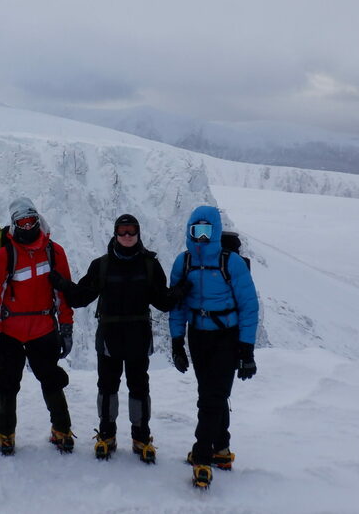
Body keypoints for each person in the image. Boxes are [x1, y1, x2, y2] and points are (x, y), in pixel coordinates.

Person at [54, 214, 180, 462]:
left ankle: (141, 437)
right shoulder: (101, 265)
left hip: (138, 338)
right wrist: (63, 285)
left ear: (138, 233)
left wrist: (181, 289)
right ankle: (107, 435)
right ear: (115, 233)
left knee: (139, 388)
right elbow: (80, 298)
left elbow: (163, 302)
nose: (127, 236)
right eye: (122, 232)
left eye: (131, 231)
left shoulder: (149, 265)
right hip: (110, 339)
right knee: (107, 387)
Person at [169, 205, 259, 489]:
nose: (203, 238)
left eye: (208, 232)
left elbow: (249, 306)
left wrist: (246, 350)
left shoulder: (230, 262)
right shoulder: (182, 263)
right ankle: (221, 449)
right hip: (198, 336)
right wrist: (176, 343)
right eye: (198, 232)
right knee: (210, 393)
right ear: (189, 232)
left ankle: (202, 456)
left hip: (226, 337)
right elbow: (177, 307)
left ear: (217, 231)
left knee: (211, 396)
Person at [0, 197, 75, 455]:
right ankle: (6, 434)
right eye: (21, 223)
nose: (26, 227)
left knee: (51, 380)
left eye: (30, 221)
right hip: (10, 332)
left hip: (43, 328)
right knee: (6, 383)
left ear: (38, 219)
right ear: (12, 225)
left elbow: (63, 292)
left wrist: (66, 327)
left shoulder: (54, 252)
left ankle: (62, 429)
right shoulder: (4, 256)